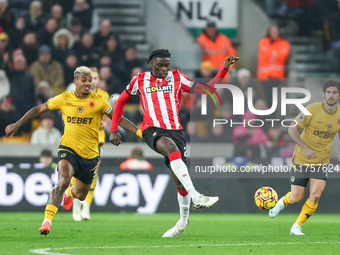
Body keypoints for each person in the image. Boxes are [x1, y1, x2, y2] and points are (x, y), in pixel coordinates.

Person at [110, 49, 238, 237]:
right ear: (151, 63)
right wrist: (113, 129)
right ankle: (197, 196)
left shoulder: (177, 77)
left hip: (175, 131)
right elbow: (120, 102)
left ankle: (182, 222)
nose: (164, 69)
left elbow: (207, 89)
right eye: (160, 65)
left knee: (179, 182)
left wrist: (224, 70)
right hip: (152, 129)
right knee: (170, 149)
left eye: (167, 65)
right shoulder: (140, 80)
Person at [5, 66, 141, 236]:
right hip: (68, 149)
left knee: (81, 194)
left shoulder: (99, 101)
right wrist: (17, 124)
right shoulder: (64, 98)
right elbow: (38, 109)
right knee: (62, 181)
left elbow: (118, 119)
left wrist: (139, 132)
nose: (88, 83)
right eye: (84, 80)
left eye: (90, 80)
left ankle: (70, 193)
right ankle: (47, 222)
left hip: (90, 154)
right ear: (75, 81)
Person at [269, 80, 340, 235]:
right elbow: (292, 128)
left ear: (339, 95)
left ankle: (296, 226)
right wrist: (305, 147)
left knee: (315, 195)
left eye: (334, 92)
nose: (331, 95)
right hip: (302, 159)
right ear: (323, 94)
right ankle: (282, 203)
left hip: (321, 161)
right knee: (296, 197)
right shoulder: (311, 110)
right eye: (328, 92)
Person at [72, 67, 109, 221]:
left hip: (97, 139)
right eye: (89, 77)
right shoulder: (76, 95)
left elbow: (108, 115)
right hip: (79, 139)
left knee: (92, 173)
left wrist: (104, 122)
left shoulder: (104, 95)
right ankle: (75, 205)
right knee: (76, 172)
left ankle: (86, 206)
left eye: (94, 77)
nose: (91, 80)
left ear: (98, 80)